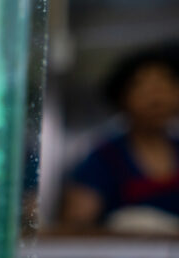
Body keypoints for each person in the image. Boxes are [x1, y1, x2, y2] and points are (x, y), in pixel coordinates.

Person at [61, 48, 179, 229]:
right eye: (143, 87)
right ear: (122, 98)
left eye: (165, 84)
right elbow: (76, 224)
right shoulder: (104, 159)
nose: (157, 98)